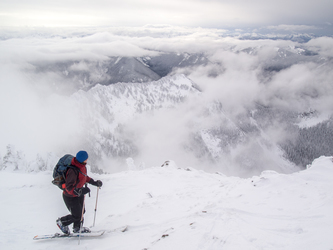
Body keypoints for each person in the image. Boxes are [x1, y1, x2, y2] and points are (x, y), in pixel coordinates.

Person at [56, 150, 103, 234]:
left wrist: (94, 183)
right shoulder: (72, 170)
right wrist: (80, 191)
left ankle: (77, 228)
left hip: (78, 194)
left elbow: (84, 177)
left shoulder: (81, 166)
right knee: (76, 215)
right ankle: (62, 222)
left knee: (81, 212)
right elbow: (69, 187)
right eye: (86, 158)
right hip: (70, 197)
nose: (87, 159)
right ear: (83, 159)